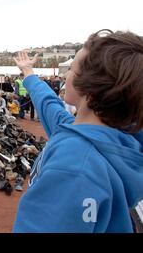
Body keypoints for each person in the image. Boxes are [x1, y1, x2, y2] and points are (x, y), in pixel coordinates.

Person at [13, 29, 143, 233]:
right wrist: (29, 74)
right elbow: (49, 105)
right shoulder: (106, 140)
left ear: (90, 90)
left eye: (72, 68)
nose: (66, 74)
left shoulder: (75, 165)